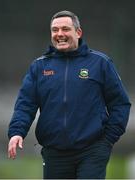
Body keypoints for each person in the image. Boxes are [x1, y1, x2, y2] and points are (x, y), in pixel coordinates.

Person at [8, 10, 131, 179]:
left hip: (92, 151)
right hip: (54, 153)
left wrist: (108, 140)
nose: (60, 34)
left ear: (78, 32)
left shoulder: (100, 63)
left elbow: (120, 104)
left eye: (65, 29)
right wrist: (16, 132)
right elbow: (25, 104)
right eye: (55, 30)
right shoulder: (39, 67)